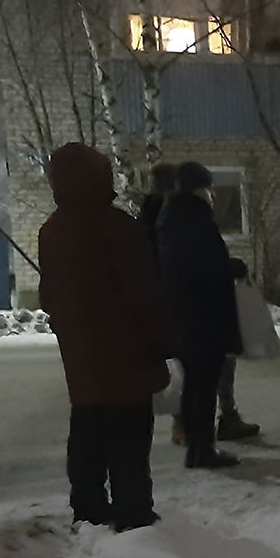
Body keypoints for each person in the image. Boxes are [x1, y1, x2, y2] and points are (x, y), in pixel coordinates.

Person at [39, 142, 175, 531]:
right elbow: (143, 292)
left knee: (87, 429)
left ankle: (88, 505)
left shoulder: (53, 229)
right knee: (129, 435)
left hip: (82, 353)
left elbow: (50, 294)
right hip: (126, 351)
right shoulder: (117, 227)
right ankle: (133, 509)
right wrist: (164, 338)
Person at [158, 162, 244, 468]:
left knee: (194, 384)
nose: (211, 195)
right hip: (203, 315)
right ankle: (203, 450)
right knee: (204, 385)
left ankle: (197, 446)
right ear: (198, 189)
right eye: (208, 188)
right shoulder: (196, 220)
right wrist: (231, 268)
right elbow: (209, 270)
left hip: (181, 314)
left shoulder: (169, 218)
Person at [139, 163, 185, 445]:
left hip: (154, 296)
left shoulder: (145, 217)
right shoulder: (171, 217)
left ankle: (153, 426)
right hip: (175, 297)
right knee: (189, 363)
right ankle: (183, 424)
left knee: (160, 365)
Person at [216, 257, 262, 441]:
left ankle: (185, 423)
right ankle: (226, 418)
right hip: (205, 309)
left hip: (197, 308)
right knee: (219, 365)